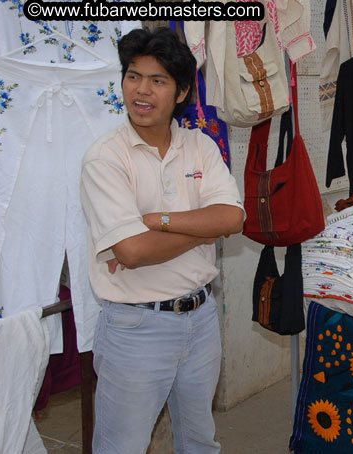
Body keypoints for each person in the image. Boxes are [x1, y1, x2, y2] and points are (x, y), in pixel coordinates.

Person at [80, 27, 244, 454]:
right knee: (123, 447)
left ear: (182, 91)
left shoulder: (200, 146)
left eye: (158, 80)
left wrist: (158, 221)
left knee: (200, 443)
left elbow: (233, 217)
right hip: (136, 327)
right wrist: (202, 227)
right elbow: (132, 252)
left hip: (201, 317)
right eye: (133, 76)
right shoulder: (106, 157)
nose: (142, 90)